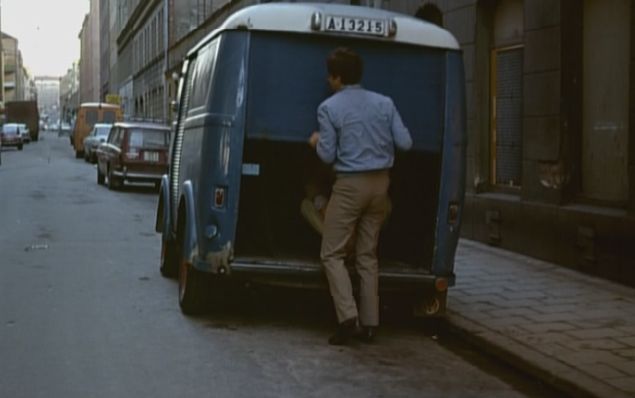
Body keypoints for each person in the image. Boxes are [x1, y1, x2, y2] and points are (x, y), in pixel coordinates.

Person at [309, 47, 412, 345]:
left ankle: (347, 318)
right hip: (381, 184)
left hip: (350, 185)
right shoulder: (385, 103)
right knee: (367, 254)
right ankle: (370, 323)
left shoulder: (329, 108)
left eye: (330, 75)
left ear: (338, 77)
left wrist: (316, 141)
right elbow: (405, 142)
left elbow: (327, 155)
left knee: (332, 253)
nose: (328, 80)